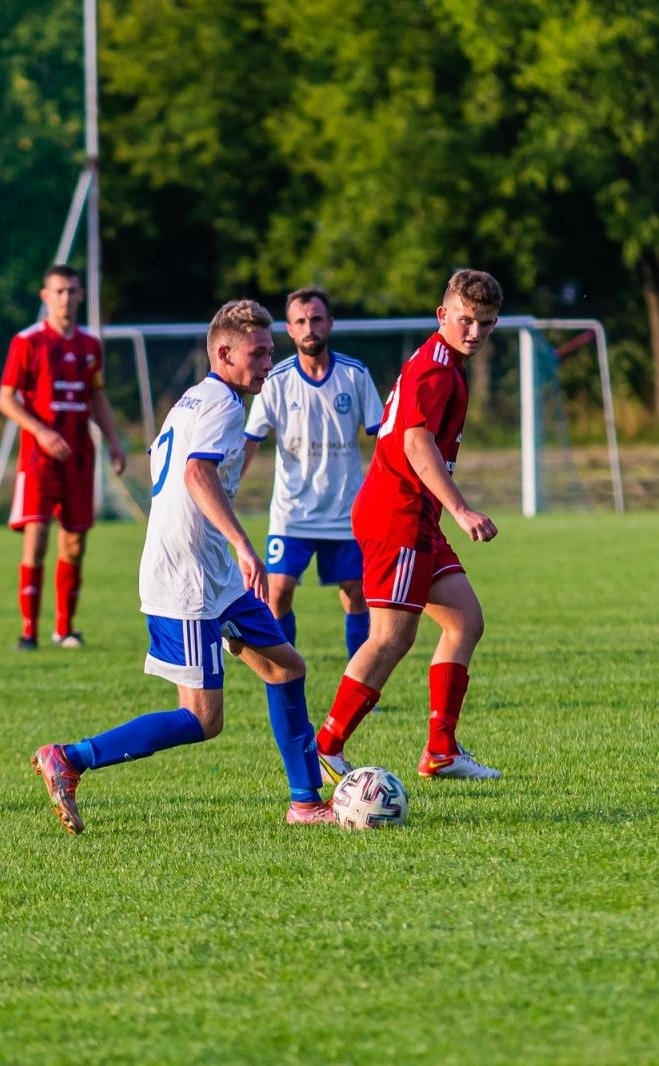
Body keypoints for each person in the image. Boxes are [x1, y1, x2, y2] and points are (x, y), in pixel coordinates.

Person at [31, 299, 334, 832]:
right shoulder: (223, 405)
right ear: (223, 351)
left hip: (213, 574)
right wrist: (242, 543)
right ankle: (70, 757)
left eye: (270, 352)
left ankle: (306, 804)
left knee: (287, 667)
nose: (268, 363)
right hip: (188, 577)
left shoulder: (193, 400)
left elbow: (166, 463)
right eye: (258, 353)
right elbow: (197, 474)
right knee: (201, 718)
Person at [314, 269, 506, 784]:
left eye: (485, 324)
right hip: (396, 515)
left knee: (465, 619)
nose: (475, 332)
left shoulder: (444, 362)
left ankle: (441, 751)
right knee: (391, 637)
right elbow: (414, 445)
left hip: (417, 516)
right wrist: (462, 510)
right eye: (466, 320)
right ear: (443, 314)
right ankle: (326, 747)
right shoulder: (437, 372)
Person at [242, 286, 382, 662]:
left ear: (330, 324)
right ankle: (287, 675)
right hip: (292, 512)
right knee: (277, 592)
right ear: (288, 329)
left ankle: (359, 680)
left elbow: (382, 440)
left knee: (356, 592)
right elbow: (251, 438)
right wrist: (228, 486)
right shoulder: (276, 379)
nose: (309, 327)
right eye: (301, 321)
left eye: (316, 319)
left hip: (344, 511)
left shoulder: (354, 375)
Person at [0, 264, 126, 651]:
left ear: (81, 295)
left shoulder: (90, 346)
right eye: (59, 291)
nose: (66, 298)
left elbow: (97, 397)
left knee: (74, 544)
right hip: (38, 460)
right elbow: (5, 398)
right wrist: (41, 431)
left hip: (79, 458)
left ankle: (65, 629)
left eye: (72, 291)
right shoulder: (28, 342)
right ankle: (28, 631)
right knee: (35, 540)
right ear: (45, 296)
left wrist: (114, 441)